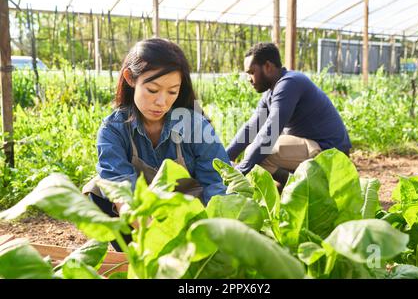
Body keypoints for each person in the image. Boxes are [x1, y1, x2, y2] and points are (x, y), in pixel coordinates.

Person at [82, 38, 230, 251]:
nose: (162, 102)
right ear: (131, 79)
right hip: (141, 219)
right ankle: (132, 252)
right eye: (152, 90)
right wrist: (159, 238)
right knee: (97, 190)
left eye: (172, 92)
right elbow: (122, 194)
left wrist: (207, 236)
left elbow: (215, 185)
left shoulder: (195, 125)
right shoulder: (113, 129)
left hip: (189, 217)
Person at [226, 42, 351, 189]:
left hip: (331, 151)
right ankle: (289, 186)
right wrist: (223, 158)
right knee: (255, 151)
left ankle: (310, 187)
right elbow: (251, 128)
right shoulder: (271, 92)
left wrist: (241, 171)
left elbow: (270, 132)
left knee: (259, 153)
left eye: (252, 72)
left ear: (268, 67)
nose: (249, 79)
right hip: (312, 146)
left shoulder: (289, 84)